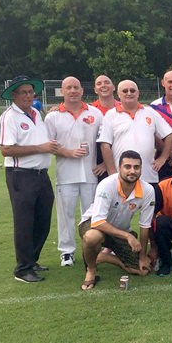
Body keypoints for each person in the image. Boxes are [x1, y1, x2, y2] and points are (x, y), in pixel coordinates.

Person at [0, 75, 57, 283]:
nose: (28, 96)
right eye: (23, 92)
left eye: (30, 92)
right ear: (14, 95)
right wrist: (41, 148)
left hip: (41, 174)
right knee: (24, 222)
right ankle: (22, 269)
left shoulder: (36, 114)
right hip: (21, 175)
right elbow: (6, 149)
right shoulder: (9, 117)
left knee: (43, 220)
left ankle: (32, 260)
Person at [45, 76, 104, 267]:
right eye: (68, 88)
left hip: (90, 174)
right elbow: (48, 145)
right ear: (62, 91)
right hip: (65, 175)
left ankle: (94, 249)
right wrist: (68, 152)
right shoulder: (53, 116)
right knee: (66, 215)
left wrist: (103, 165)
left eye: (76, 87)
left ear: (81, 90)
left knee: (92, 215)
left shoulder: (95, 113)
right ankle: (67, 252)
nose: (73, 91)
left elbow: (104, 142)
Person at [79, 150, 155, 290]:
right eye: (127, 166)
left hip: (118, 231)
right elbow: (98, 222)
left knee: (142, 270)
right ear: (119, 168)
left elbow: (145, 226)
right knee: (92, 236)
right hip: (93, 224)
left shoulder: (148, 190)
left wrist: (143, 255)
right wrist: (127, 236)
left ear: (141, 169)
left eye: (136, 167)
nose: (132, 171)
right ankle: (91, 270)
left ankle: (103, 257)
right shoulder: (107, 185)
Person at [98, 80, 172, 184]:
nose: (129, 93)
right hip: (121, 177)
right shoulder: (111, 115)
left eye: (132, 90)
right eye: (125, 91)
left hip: (148, 176)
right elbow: (105, 145)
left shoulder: (150, 112)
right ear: (119, 94)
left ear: (138, 93)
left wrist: (163, 158)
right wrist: (112, 172)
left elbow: (170, 135)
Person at [90, 74, 119, 181]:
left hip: (120, 158)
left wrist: (106, 164)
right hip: (97, 163)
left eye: (107, 82)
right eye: (99, 83)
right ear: (95, 90)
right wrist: (58, 108)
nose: (103, 85)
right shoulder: (89, 110)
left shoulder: (124, 107)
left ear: (114, 87)